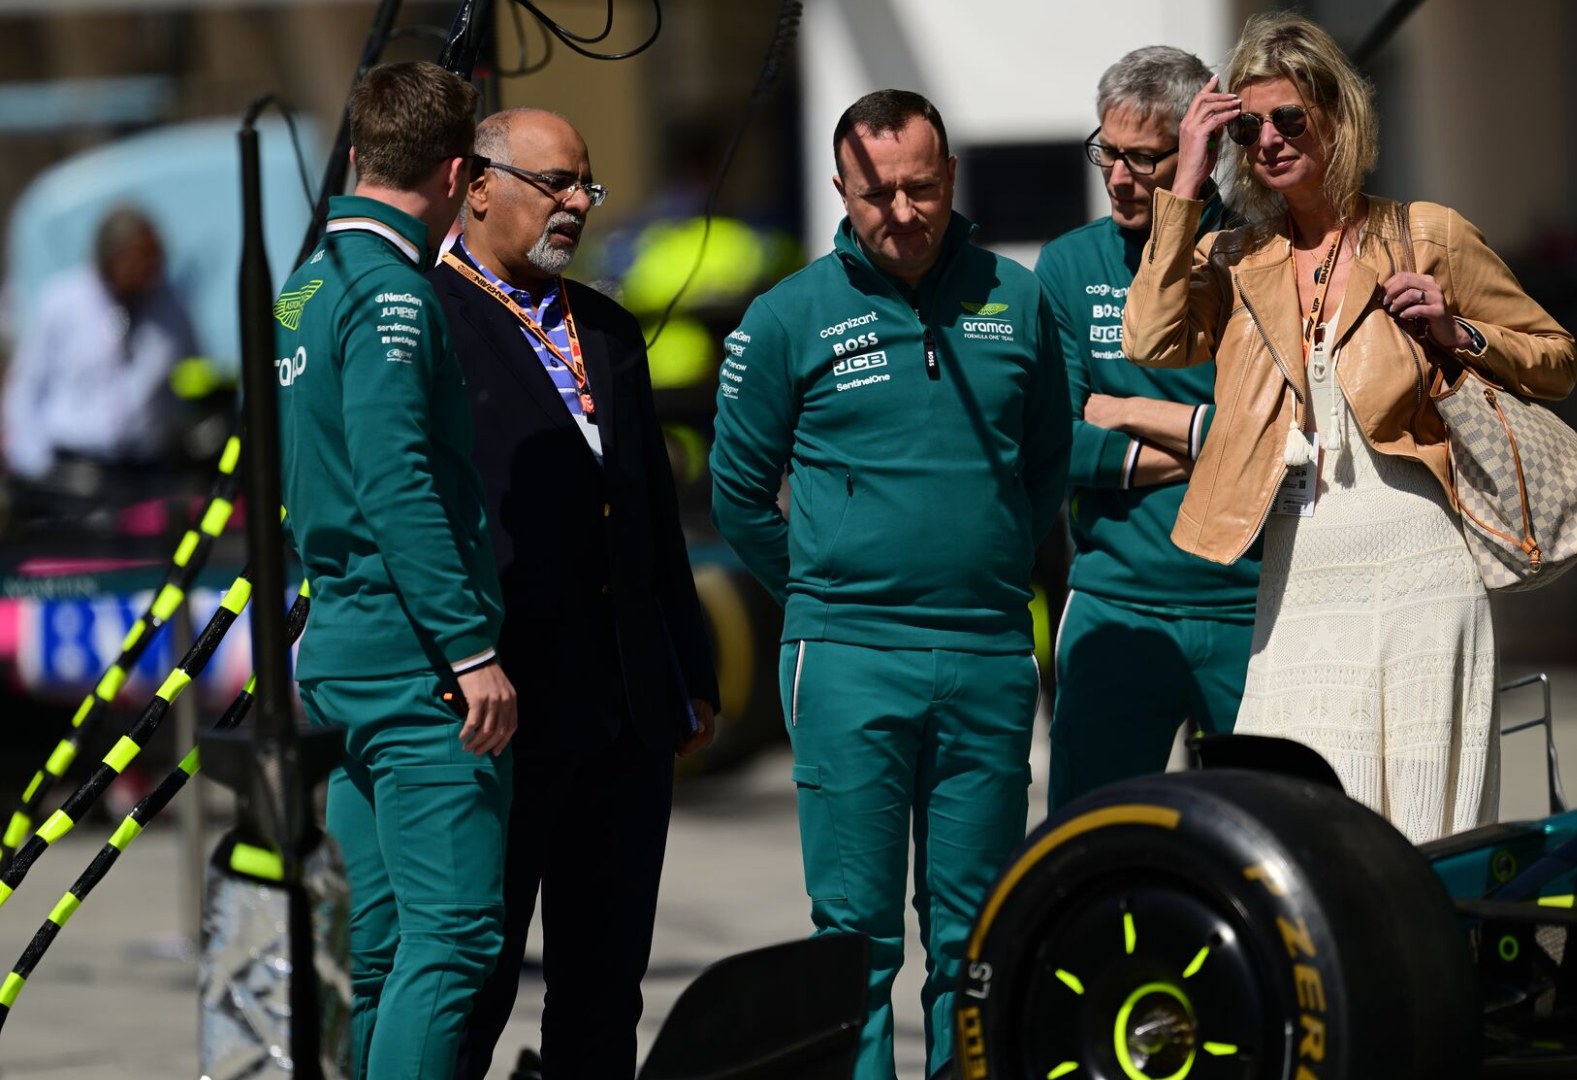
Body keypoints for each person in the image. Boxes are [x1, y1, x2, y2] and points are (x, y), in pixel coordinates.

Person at [1123, 12, 1577, 843]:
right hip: (1299, 576)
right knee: (1299, 826)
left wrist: (1458, 332)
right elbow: (1150, 339)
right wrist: (1184, 181)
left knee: (1421, 832)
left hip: (1423, 574)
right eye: (1249, 126)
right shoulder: (1234, 258)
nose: (1269, 139)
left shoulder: (1425, 232)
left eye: (1289, 118)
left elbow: (1557, 358)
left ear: (1338, 116)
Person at [709, 89, 1069, 1079]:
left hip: (990, 655)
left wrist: (982, 564)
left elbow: (1043, 471)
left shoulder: (1020, 299)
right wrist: (831, 590)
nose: (901, 212)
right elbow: (737, 495)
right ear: (841, 190)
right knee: (854, 940)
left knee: (976, 934)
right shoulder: (788, 317)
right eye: (876, 194)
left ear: (950, 179)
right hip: (847, 661)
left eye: (920, 187)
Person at [435, 108, 719, 1080]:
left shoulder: (606, 327)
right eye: (553, 183)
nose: (574, 206)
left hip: (625, 714)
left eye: (585, 188)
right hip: (500, 714)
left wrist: (691, 667)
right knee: (473, 980)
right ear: (477, 185)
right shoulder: (430, 319)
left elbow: (650, 522)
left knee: (603, 990)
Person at [275, 61, 518, 1080]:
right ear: (460, 173)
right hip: (411, 662)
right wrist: (470, 649)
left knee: (373, 955)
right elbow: (397, 482)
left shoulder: (307, 282)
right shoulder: (391, 295)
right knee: (454, 938)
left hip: (337, 645)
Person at [1036, 46, 1258, 811]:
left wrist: (1125, 410)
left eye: (1145, 159)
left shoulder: (1255, 254)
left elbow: (1276, 437)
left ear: (1205, 151)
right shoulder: (1067, 265)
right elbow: (1059, 440)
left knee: (1266, 844)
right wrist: (1215, 443)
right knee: (1091, 841)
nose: (1120, 177)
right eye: (1108, 152)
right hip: (1114, 602)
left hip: (1251, 604)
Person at [4, 207, 195, 480]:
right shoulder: (61, 302)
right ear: (112, 258)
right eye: (139, 259)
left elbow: (191, 375)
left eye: (155, 259)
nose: (149, 271)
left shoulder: (171, 305)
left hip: (146, 467)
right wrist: (35, 464)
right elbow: (25, 387)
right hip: (71, 466)